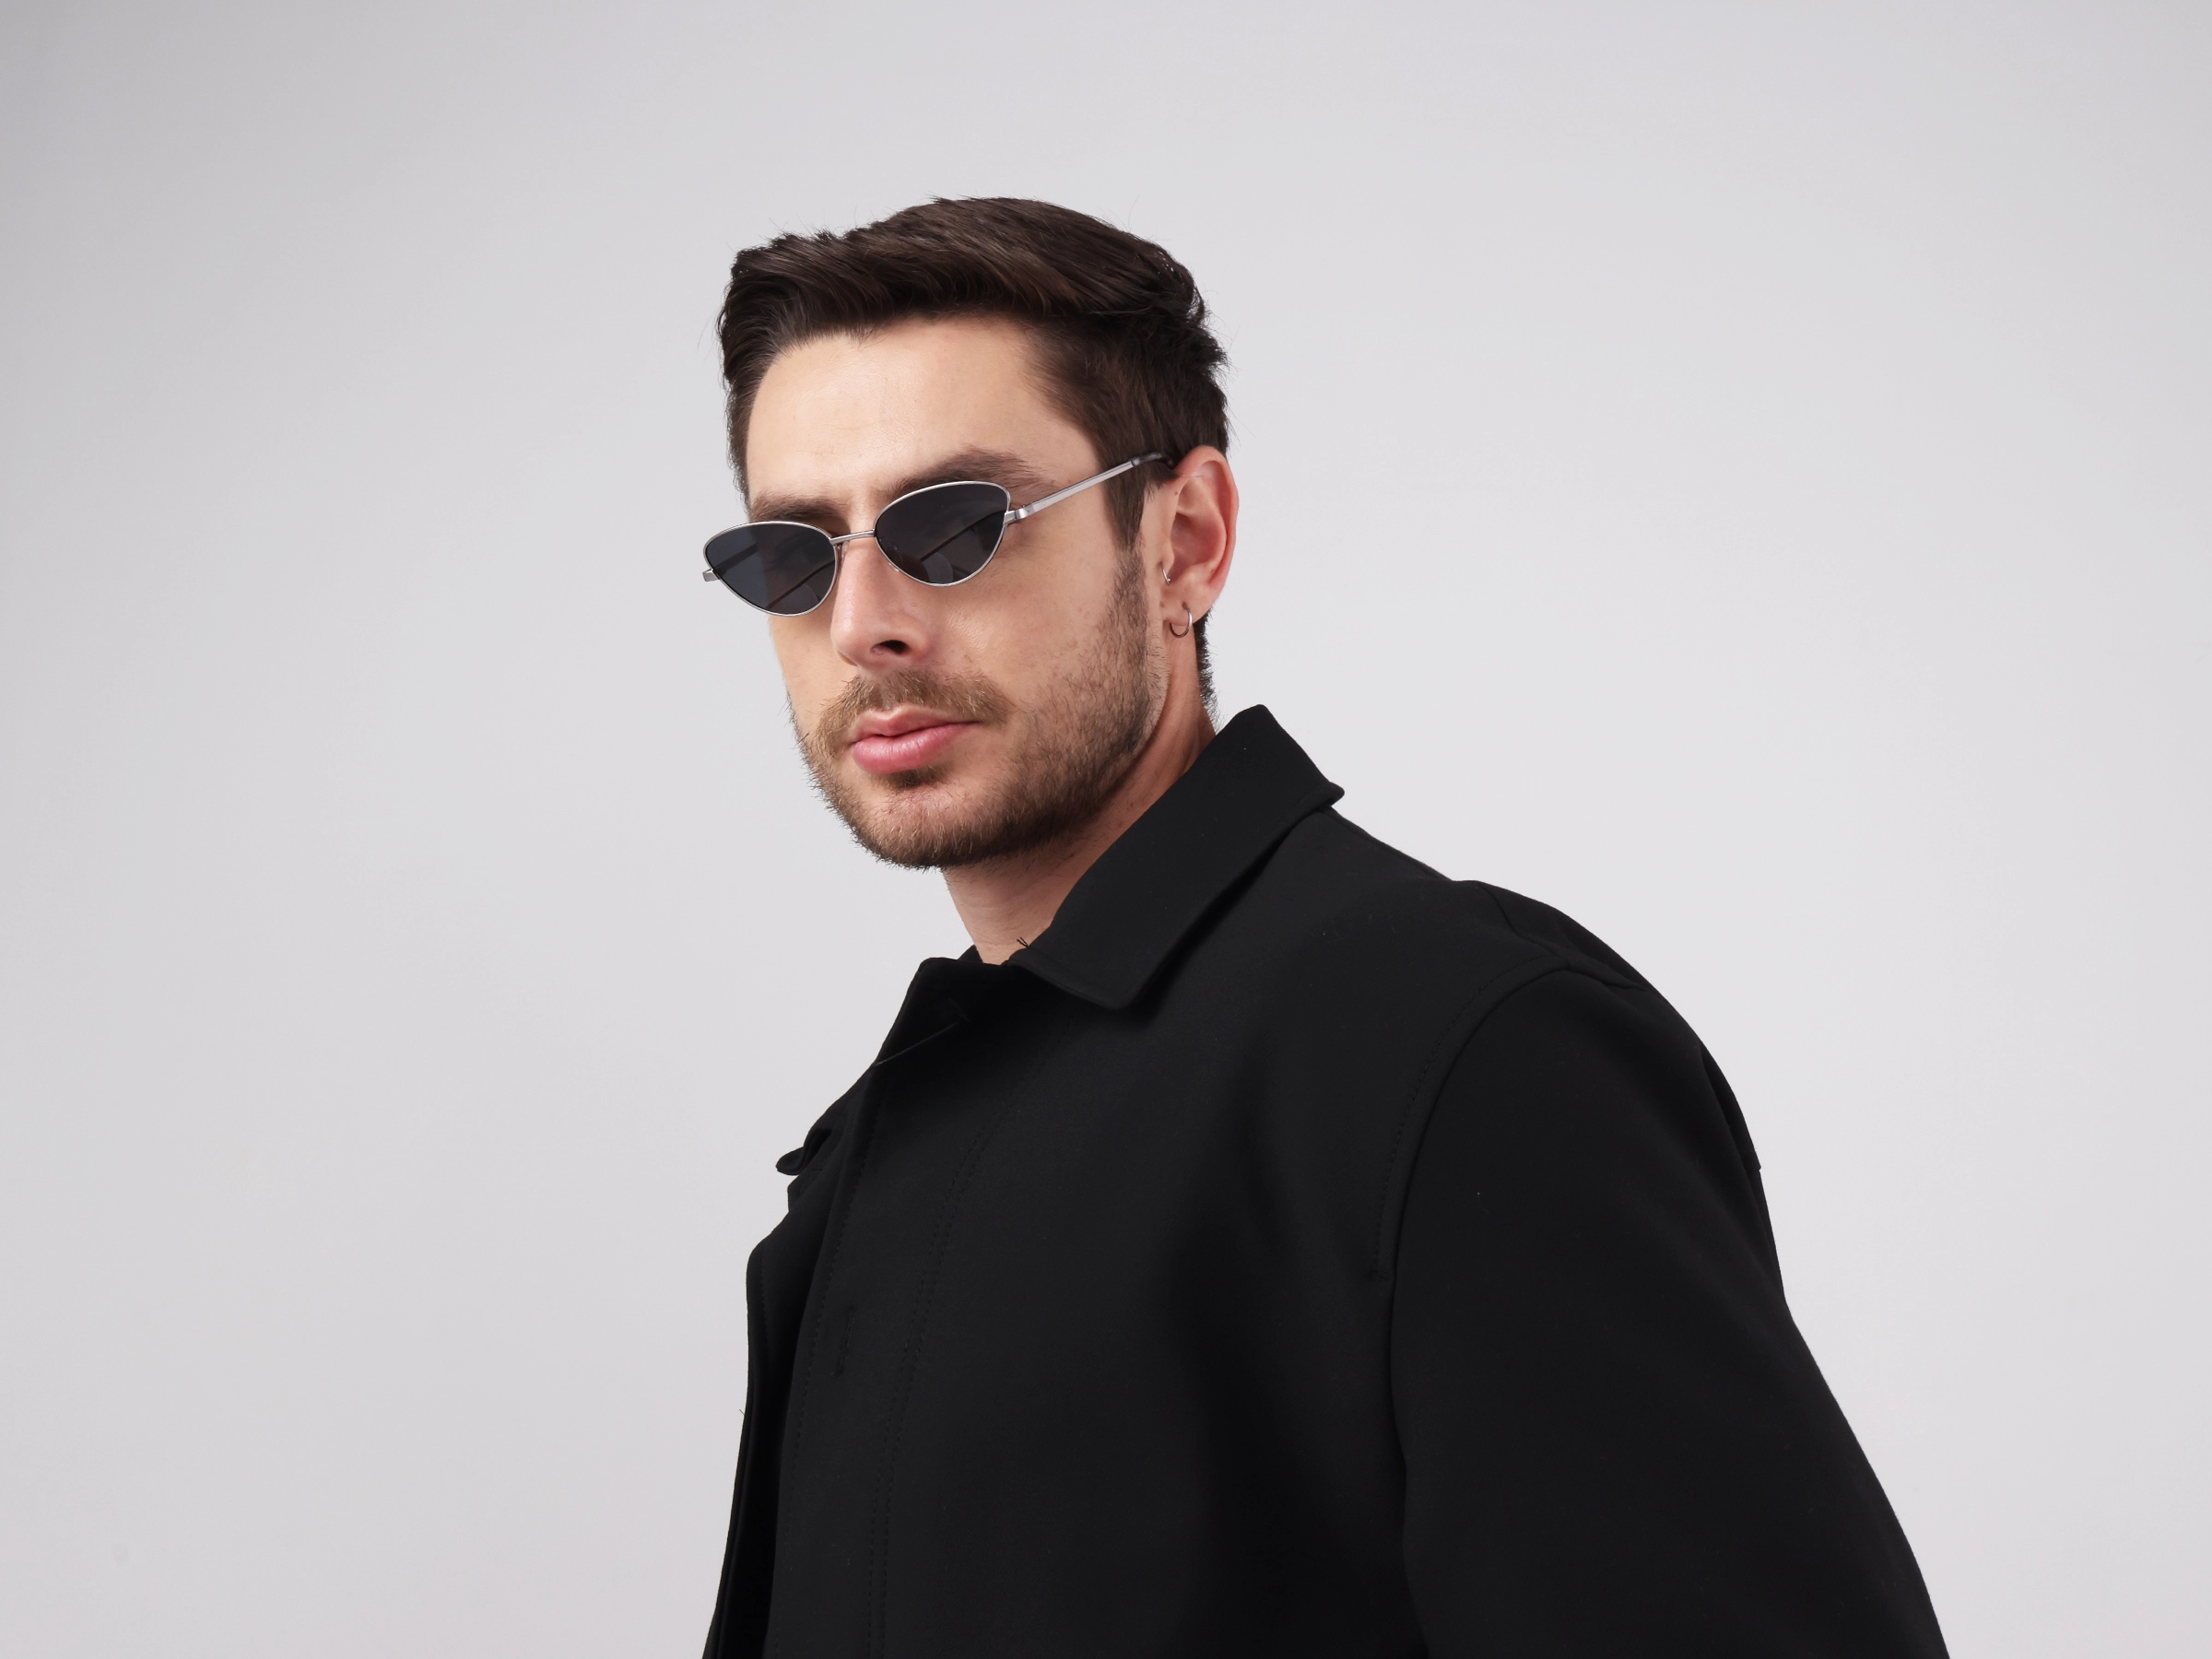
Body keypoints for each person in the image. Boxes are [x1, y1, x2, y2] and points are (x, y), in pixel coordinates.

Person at [695, 196, 1947, 1658]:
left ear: (1185, 544)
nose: (863, 624)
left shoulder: (1466, 1051)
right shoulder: (888, 1147)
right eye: (793, 555)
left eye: (955, 526)